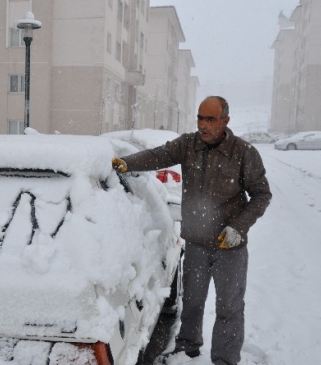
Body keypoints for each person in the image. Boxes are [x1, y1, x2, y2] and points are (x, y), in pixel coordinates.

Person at [112, 96, 272, 365]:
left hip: (229, 248)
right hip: (197, 243)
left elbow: (261, 195)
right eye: (200, 118)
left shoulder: (243, 152)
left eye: (210, 119)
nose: (203, 125)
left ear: (225, 121)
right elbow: (157, 156)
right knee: (194, 303)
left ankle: (225, 358)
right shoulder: (188, 145)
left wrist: (238, 227)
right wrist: (127, 163)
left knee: (229, 308)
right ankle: (188, 347)